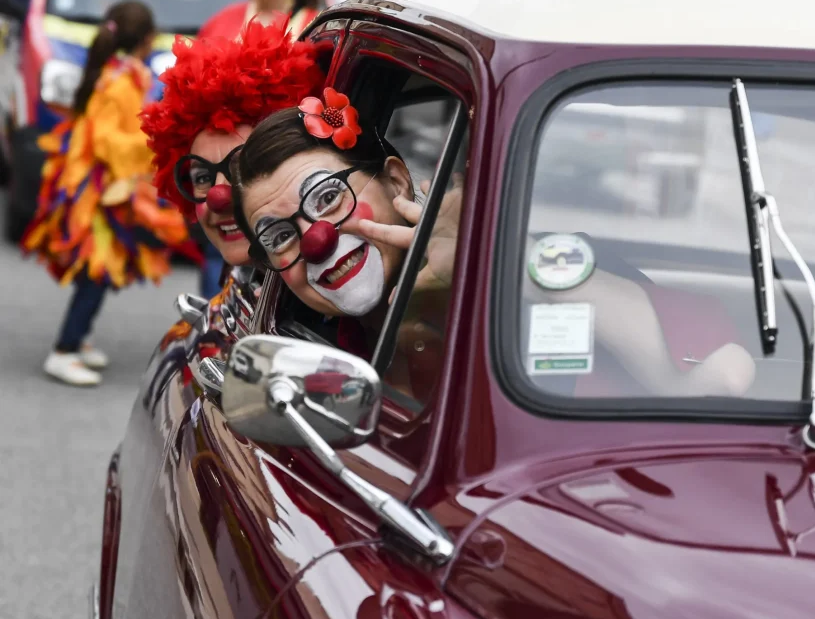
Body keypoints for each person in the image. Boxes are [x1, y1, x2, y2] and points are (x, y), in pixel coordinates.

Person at [233, 93, 755, 404]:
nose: (316, 240)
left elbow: (725, 378)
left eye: (327, 198)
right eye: (280, 236)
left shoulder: (547, 280)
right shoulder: (318, 346)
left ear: (396, 184)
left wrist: (493, 263)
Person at [23, 1, 189, 386]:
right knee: (96, 275)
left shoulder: (121, 75)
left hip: (108, 191)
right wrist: (151, 143)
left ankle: (77, 341)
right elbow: (107, 139)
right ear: (147, 40)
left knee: (101, 276)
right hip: (99, 197)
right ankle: (63, 350)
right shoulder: (118, 81)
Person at [140, 18, 326, 301]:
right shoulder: (245, 287)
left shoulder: (334, 292)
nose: (218, 196)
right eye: (202, 178)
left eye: (243, 168)